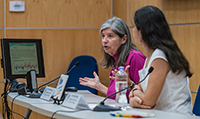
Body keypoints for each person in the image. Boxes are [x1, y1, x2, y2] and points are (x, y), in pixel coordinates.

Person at [129, 6, 193, 115]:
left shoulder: (160, 57)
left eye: (135, 26)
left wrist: (134, 93)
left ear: (143, 31)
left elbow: (148, 101)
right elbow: (138, 89)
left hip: (175, 116)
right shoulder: (151, 57)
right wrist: (133, 98)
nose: (133, 30)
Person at [79, 17, 146, 100]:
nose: (104, 40)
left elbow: (144, 95)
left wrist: (130, 84)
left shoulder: (136, 57)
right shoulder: (116, 59)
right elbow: (117, 95)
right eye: (103, 36)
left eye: (110, 36)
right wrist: (98, 86)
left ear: (124, 39)